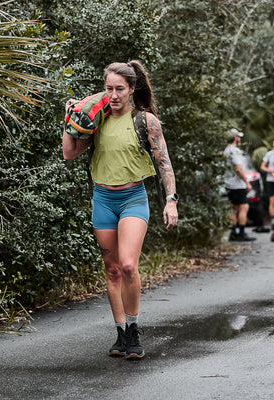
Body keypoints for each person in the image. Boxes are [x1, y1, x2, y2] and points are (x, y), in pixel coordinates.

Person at [62, 61, 178, 359]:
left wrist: (171, 200)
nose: (113, 95)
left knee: (128, 265)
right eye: (109, 88)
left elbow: (163, 161)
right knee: (112, 270)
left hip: (133, 198)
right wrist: (69, 119)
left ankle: (135, 327)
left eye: (119, 89)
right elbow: (69, 153)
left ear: (132, 89)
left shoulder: (145, 120)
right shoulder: (96, 119)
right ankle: (121, 334)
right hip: (103, 199)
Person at [223, 128, 256, 242]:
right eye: (239, 136)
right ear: (235, 138)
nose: (240, 138)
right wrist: (247, 182)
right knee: (244, 207)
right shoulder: (235, 151)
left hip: (229, 183)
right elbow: (239, 168)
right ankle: (241, 233)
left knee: (234, 208)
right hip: (237, 184)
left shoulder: (226, 150)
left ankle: (233, 233)